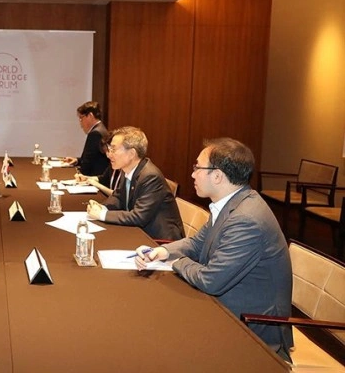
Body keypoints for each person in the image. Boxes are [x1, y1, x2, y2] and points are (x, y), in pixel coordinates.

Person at [134, 138, 293, 361]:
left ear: (217, 176)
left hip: (251, 328)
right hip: (227, 305)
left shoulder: (246, 219)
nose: (192, 175)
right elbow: (197, 243)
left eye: (197, 167)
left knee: (161, 337)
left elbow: (211, 281)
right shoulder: (232, 203)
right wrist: (164, 252)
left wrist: (175, 262)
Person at [86, 126, 184, 240]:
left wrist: (102, 215)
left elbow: (138, 217)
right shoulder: (127, 170)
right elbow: (119, 197)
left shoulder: (150, 177)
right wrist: (102, 207)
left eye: (113, 149)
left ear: (132, 153)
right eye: (109, 149)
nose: (109, 154)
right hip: (140, 233)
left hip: (160, 240)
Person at [62, 101, 111, 178]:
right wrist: (77, 161)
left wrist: (79, 176)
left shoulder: (95, 133)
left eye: (81, 118)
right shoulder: (100, 128)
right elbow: (92, 157)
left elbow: (88, 162)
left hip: (94, 177)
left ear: (90, 115)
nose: (80, 122)